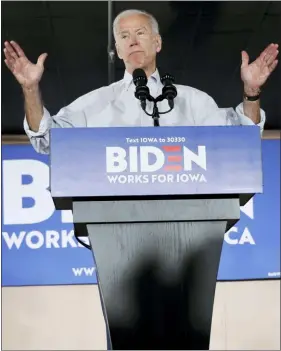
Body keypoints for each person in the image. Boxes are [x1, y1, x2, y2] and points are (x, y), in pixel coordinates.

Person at [3, 9, 279, 154]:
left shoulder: (194, 100)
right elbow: (46, 140)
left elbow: (243, 136)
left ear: (157, 42)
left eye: (140, 33)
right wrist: (30, 88)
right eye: (124, 37)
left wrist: (251, 91)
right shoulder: (95, 103)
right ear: (117, 50)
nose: (133, 41)